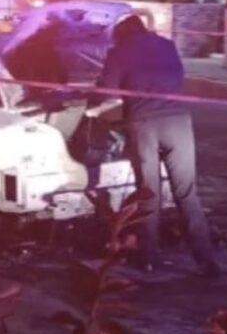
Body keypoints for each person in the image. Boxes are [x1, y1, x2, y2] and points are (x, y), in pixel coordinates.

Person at [92, 15, 219, 278]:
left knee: (148, 193)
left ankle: (149, 258)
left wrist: (90, 104)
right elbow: (178, 77)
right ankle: (206, 261)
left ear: (121, 35)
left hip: (144, 125)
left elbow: (105, 90)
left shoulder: (120, 51)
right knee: (187, 193)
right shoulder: (167, 45)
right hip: (179, 123)